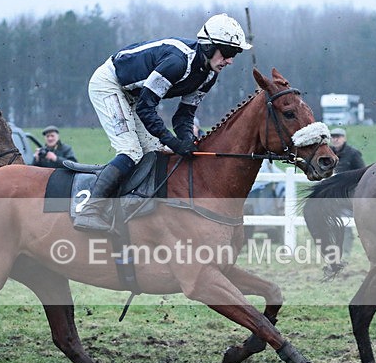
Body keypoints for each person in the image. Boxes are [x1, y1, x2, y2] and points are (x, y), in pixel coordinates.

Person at [74, 13, 251, 232]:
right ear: (208, 47)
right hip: (110, 85)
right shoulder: (177, 63)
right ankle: (91, 210)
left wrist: (187, 140)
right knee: (131, 151)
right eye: (228, 52)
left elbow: (184, 116)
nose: (231, 60)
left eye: (236, 53)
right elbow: (145, 107)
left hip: (135, 96)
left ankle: (132, 211)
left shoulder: (209, 76)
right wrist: (172, 141)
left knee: (155, 153)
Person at [328, 127, 366, 256]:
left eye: (338, 136)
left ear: (344, 138)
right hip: (331, 195)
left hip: (347, 195)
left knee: (344, 222)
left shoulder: (353, 153)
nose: (335, 139)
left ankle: (345, 251)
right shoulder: (327, 152)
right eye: (333, 137)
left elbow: (362, 173)